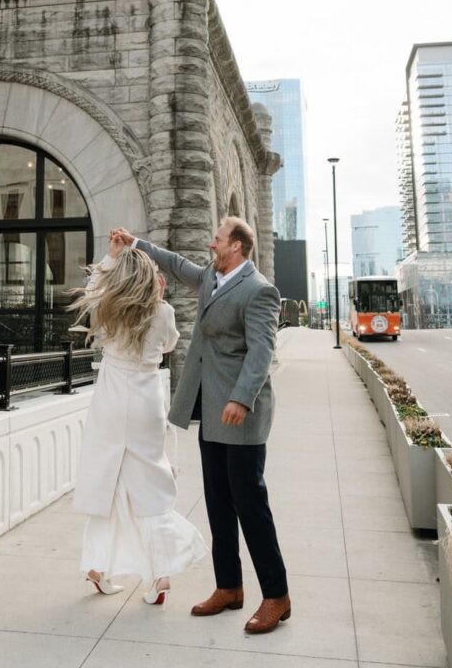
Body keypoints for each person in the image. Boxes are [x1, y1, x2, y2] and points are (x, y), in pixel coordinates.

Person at [111, 218, 291, 635]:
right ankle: (229, 586)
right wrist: (134, 242)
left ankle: (277, 595)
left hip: (240, 414)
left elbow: (262, 350)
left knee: (250, 505)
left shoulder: (259, 290)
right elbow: (174, 264)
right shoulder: (213, 276)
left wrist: (241, 398)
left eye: (219, 237)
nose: (211, 242)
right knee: (218, 502)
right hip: (210, 410)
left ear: (239, 247)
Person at [70, 235, 206, 604]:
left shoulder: (109, 305)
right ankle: (160, 574)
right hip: (147, 401)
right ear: (151, 279)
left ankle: (97, 567)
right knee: (150, 482)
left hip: (112, 402)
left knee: (107, 482)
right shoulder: (162, 313)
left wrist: (111, 259)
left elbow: (94, 285)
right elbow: (169, 345)